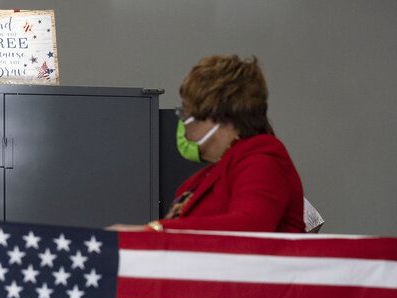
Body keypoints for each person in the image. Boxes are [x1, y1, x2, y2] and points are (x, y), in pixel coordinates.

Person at [112, 55, 305, 233]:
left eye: (187, 112)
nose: (183, 121)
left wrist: (153, 230)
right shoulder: (197, 181)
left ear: (218, 115)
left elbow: (249, 226)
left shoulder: (261, 160)